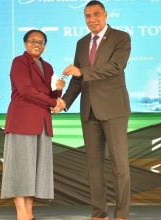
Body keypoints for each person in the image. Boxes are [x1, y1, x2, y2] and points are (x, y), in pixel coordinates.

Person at [57, 1, 132, 220]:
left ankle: (122, 214)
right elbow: (77, 81)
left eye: (96, 14)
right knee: (94, 166)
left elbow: (115, 67)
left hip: (114, 109)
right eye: (87, 16)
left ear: (106, 15)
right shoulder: (81, 43)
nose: (92, 19)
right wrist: (64, 102)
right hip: (88, 112)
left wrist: (82, 71)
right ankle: (99, 213)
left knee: (119, 165)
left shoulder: (121, 37)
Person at [0, 29, 65, 220]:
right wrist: (55, 103)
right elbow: (27, 91)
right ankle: (23, 214)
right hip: (22, 121)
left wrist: (58, 93)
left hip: (42, 123)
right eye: (32, 41)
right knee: (20, 168)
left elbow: (49, 95)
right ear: (25, 44)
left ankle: (29, 213)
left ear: (45, 45)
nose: (37, 44)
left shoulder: (49, 67)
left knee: (33, 170)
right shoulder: (19, 62)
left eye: (41, 42)